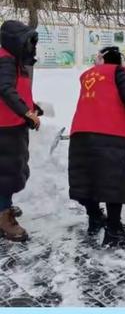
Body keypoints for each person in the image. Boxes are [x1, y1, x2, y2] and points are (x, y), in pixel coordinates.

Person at [69, 46, 125, 247]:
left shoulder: (87, 75)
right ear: (119, 62)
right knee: (112, 182)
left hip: (80, 133)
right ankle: (114, 230)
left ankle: (95, 218)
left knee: (85, 179)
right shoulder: (118, 72)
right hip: (110, 134)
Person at [0, 20, 42, 242]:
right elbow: (5, 89)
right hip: (4, 127)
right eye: (26, 42)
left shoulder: (14, 61)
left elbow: (19, 90)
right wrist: (26, 112)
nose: (30, 47)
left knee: (10, 171)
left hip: (12, 126)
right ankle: (4, 219)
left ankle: (3, 206)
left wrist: (32, 108)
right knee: (5, 174)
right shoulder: (5, 61)